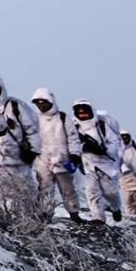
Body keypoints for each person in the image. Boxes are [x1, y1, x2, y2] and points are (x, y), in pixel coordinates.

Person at [0, 76, 41, 213]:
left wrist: (33, 150)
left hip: (18, 156)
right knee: (3, 190)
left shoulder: (15, 106)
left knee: (24, 187)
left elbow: (32, 129)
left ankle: (31, 216)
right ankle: (6, 216)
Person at [30, 88, 84, 223]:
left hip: (62, 159)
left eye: (43, 102)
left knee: (67, 188)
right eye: (38, 103)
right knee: (44, 188)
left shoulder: (63, 117)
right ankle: (45, 214)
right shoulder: (34, 118)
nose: (41, 105)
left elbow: (73, 137)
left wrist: (75, 154)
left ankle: (74, 212)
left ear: (51, 101)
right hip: (42, 159)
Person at [71, 99, 123, 224]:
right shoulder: (75, 128)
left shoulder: (101, 126)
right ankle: (98, 217)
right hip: (88, 165)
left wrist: (103, 150)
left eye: (85, 113)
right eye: (80, 113)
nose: (83, 115)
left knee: (110, 193)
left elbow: (114, 142)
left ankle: (116, 208)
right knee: (92, 191)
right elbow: (73, 143)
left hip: (106, 165)